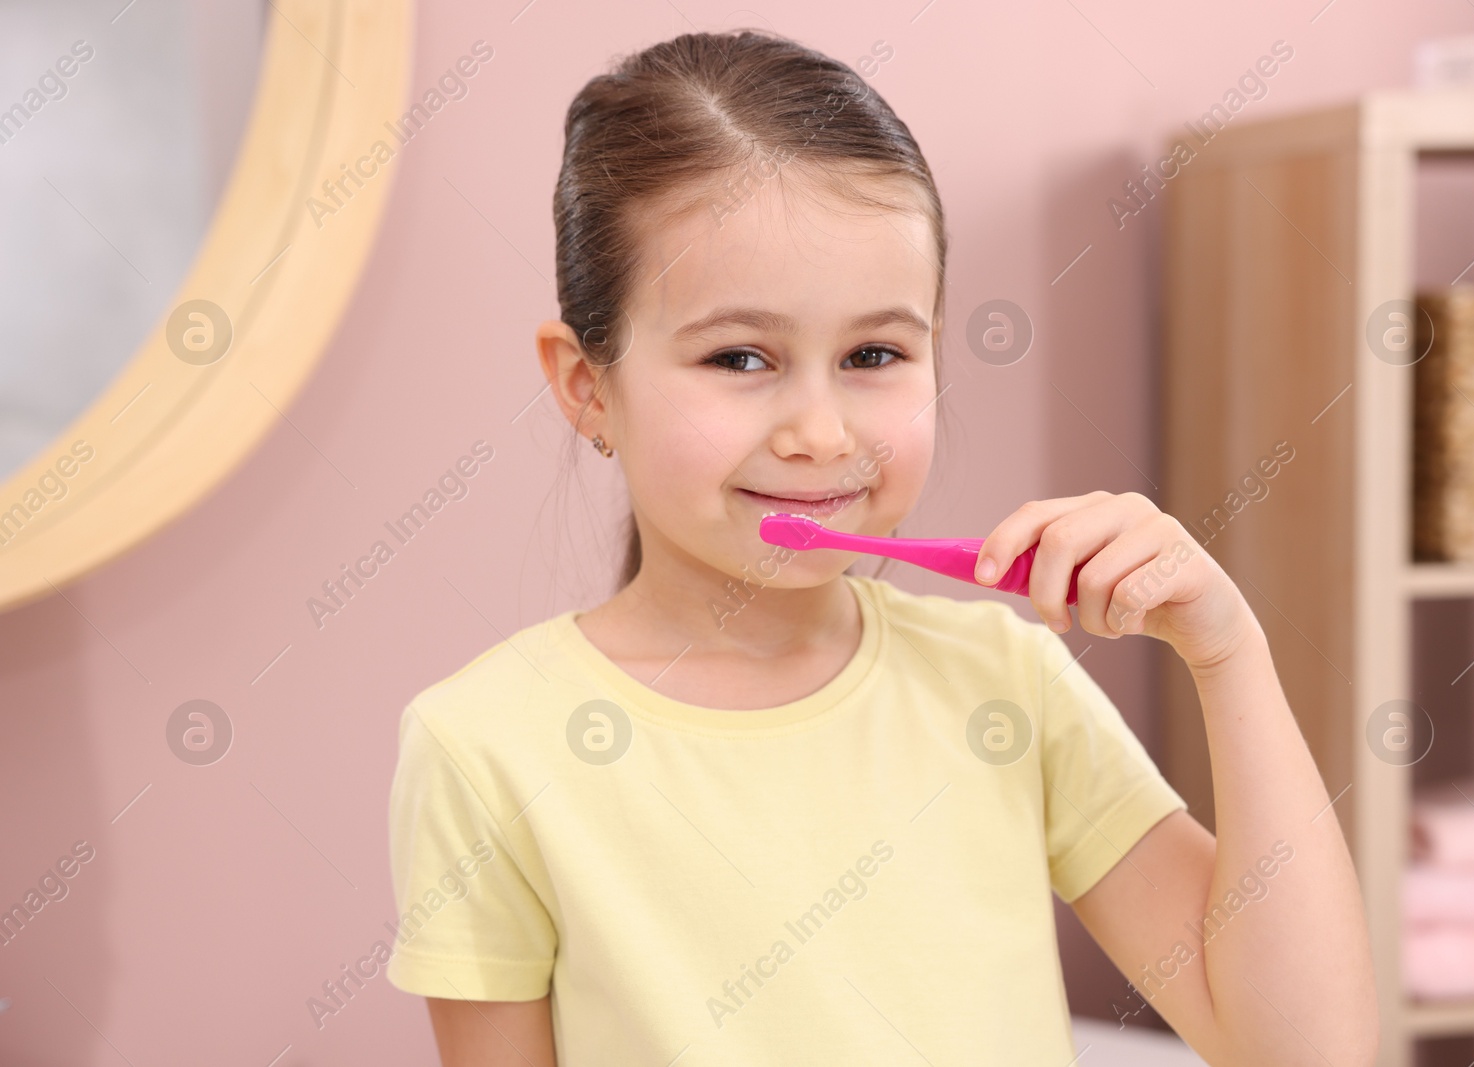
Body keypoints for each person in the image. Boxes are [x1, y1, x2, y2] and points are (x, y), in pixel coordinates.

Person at [385, 29, 1378, 1066]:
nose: (821, 432)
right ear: (587, 385)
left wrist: (1229, 652)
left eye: (873, 353)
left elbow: (1310, 1051)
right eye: (740, 355)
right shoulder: (489, 746)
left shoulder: (1005, 685)